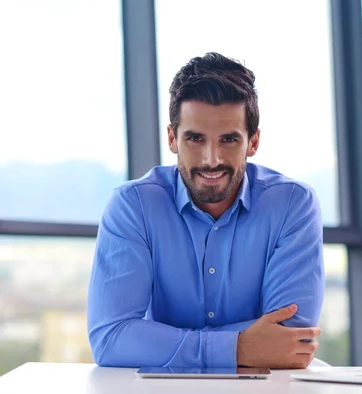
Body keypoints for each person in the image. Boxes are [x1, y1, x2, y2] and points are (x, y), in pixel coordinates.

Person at [87, 52, 325, 369]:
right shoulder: (134, 206)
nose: (211, 159)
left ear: (253, 143)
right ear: (172, 139)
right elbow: (112, 339)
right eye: (195, 138)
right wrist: (239, 348)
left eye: (228, 139)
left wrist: (159, 342)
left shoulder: (292, 204)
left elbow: (290, 340)